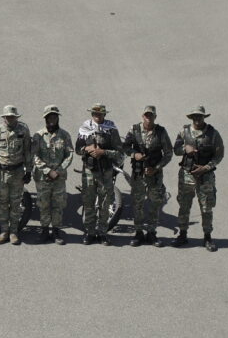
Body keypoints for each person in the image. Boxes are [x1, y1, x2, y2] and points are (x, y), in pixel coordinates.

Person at [173, 105, 224, 251]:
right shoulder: (184, 132)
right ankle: (182, 235)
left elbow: (219, 155)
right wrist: (185, 149)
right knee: (184, 206)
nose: (197, 118)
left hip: (205, 177)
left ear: (204, 117)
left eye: (200, 116)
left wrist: (206, 167)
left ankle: (207, 237)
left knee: (207, 207)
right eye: (194, 116)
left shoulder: (213, 134)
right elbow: (175, 149)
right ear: (191, 118)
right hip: (186, 176)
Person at [122, 106, 172, 247]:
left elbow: (168, 153)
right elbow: (125, 146)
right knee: (137, 203)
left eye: (151, 116)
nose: (148, 118)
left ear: (155, 117)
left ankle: (151, 233)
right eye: (146, 115)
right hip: (138, 174)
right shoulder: (134, 129)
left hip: (154, 174)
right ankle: (138, 233)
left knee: (155, 203)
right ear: (142, 116)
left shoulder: (161, 132)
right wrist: (134, 154)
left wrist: (156, 168)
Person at [75, 103, 124, 245]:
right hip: (89, 171)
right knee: (89, 202)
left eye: (100, 114)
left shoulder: (111, 129)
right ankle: (90, 233)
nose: (97, 116)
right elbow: (77, 149)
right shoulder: (84, 127)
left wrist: (104, 152)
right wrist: (87, 148)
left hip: (106, 171)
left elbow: (120, 153)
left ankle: (103, 233)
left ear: (104, 114)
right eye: (94, 113)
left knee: (104, 203)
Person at [0, 105, 32, 245]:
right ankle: (4, 231)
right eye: (7, 117)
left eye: (12, 117)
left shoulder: (23, 131)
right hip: (1, 173)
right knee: (3, 203)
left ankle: (14, 232)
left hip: (17, 172)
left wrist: (28, 170)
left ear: (16, 117)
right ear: (4, 118)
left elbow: (28, 152)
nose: (10, 119)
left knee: (16, 203)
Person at [32, 105, 74, 245]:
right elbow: (34, 156)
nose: (52, 119)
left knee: (58, 204)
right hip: (43, 177)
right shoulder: (38, 136)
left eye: (54, 116)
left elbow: (69, 155)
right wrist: (47, 170)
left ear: (58, 118)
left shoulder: (64, 135)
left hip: (59, 178)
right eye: (49, 116)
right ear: (45, 118)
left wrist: (59, 171)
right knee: (43, 204)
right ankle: (44, 230)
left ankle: (56, 231)